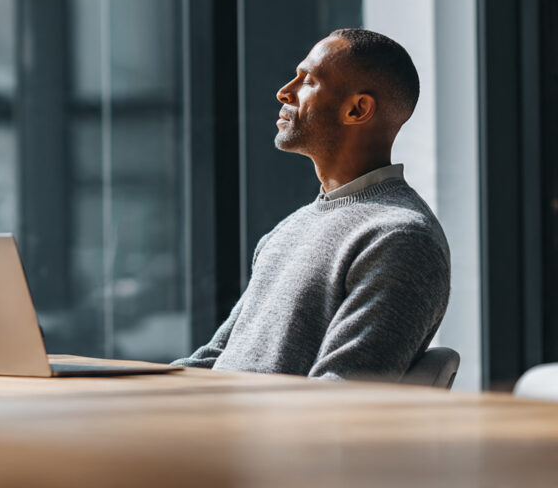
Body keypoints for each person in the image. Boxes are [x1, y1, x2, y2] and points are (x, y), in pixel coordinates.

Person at [174, 28, 450, 381]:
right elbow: (216, 358)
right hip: (210, 423)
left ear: (357, 109)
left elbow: (342, 392)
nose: (283, 92)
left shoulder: (400, 237)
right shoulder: (289, 229)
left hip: (258, 433)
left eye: (307, 81)